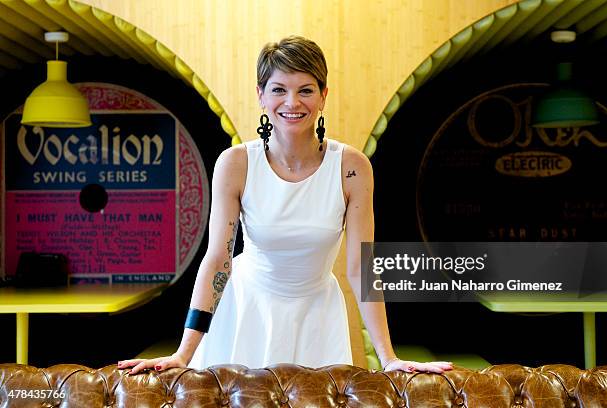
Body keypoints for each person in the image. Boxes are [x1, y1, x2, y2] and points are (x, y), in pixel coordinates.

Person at [119, 36, 453, 374]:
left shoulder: (351, 167)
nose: (292, 102)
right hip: (246, 310)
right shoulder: (236, 163)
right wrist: (183, 353)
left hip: (317, 314)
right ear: (260, 95)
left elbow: (360, 268)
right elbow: (219, 259)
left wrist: (389, 358)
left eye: (305, 90)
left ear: (324, 96)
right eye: (279, 89)